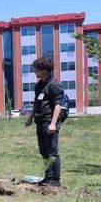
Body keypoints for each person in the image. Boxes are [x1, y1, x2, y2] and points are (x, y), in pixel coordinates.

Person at [25, 57, 64, 187]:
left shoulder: (54, 84)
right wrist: (31, 118)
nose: (35, 71)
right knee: (43, 151)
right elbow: (37, 103)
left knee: (52, 151)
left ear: (45, 70)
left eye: (37, 69)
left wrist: (53, 123)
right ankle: (48, 177)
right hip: (40, 121)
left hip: (49, 121)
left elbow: (58, 105)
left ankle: (56, 180)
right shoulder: (39, 86)